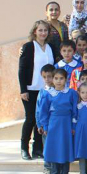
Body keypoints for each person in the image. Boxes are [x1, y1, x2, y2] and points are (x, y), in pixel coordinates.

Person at [18, 20, 59, 160]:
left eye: (45, 30)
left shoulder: (51, 47)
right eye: (40, 30)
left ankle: (37, 149)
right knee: (30, 118)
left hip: (46, 90)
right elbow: (22, 69)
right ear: (35, 31)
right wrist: (23, 89)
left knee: (41, 119)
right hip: (31, 89)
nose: (43, 33)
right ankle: (24, 148)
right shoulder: (28, 47)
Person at [37, 68, 77, 174]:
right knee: (54, 149)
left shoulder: (71, 93)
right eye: (56, 78)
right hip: (53, 124)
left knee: (65, 148)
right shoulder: (47, 94)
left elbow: (75, 111)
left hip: (66, 124)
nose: (59, 81)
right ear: (52, 80)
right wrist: (45, 126)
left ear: (66, 79)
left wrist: (73, 126)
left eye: (61, 78)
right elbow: (43, 111)